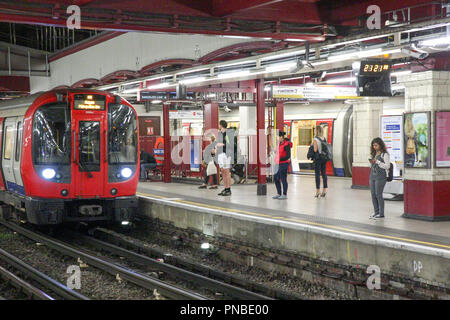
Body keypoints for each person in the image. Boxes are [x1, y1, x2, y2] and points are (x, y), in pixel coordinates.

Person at [369, 137, 390, 220]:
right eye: (373, 146)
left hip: (381, 177)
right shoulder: (374, 154)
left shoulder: (385, 154)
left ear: (380, 145)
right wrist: (371, 163)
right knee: (373, 195)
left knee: (378, 194)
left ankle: (381, 213)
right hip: (372, 176)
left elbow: (387, 166)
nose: (375, 147)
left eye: (376, 145)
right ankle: (376, 212)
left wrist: (378, 162)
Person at [272, 131, 292, 200]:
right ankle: (279, 193)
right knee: (276, 178)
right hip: (277, 163)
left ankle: (284, 194)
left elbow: (288, 156)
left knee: (283, 179)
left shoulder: (286, 144)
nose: (277, 139)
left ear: (281, 137)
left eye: (277, 137)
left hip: (284, 164)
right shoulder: (279, 144)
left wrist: (279, 158)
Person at [216, 120, 233, 196]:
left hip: (226, 154)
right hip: (220, 154)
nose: (218, 126)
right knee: (222, 171)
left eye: (219, 125)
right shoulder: (220, 134)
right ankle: (225, 188)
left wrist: (222, 144)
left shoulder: (228, 134)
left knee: (227, 172)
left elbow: (230, 144)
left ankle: (228, 189)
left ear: (221, 125)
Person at [313, 126, 328, 198]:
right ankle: (324, 191)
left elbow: (315, 150)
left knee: (317, 175)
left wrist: (312, 146)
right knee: (324, 174)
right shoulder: (324, 138)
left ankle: (318, 191)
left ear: (316, 131)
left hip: (318, 159)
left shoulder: (315, 139)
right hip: (324, 158)